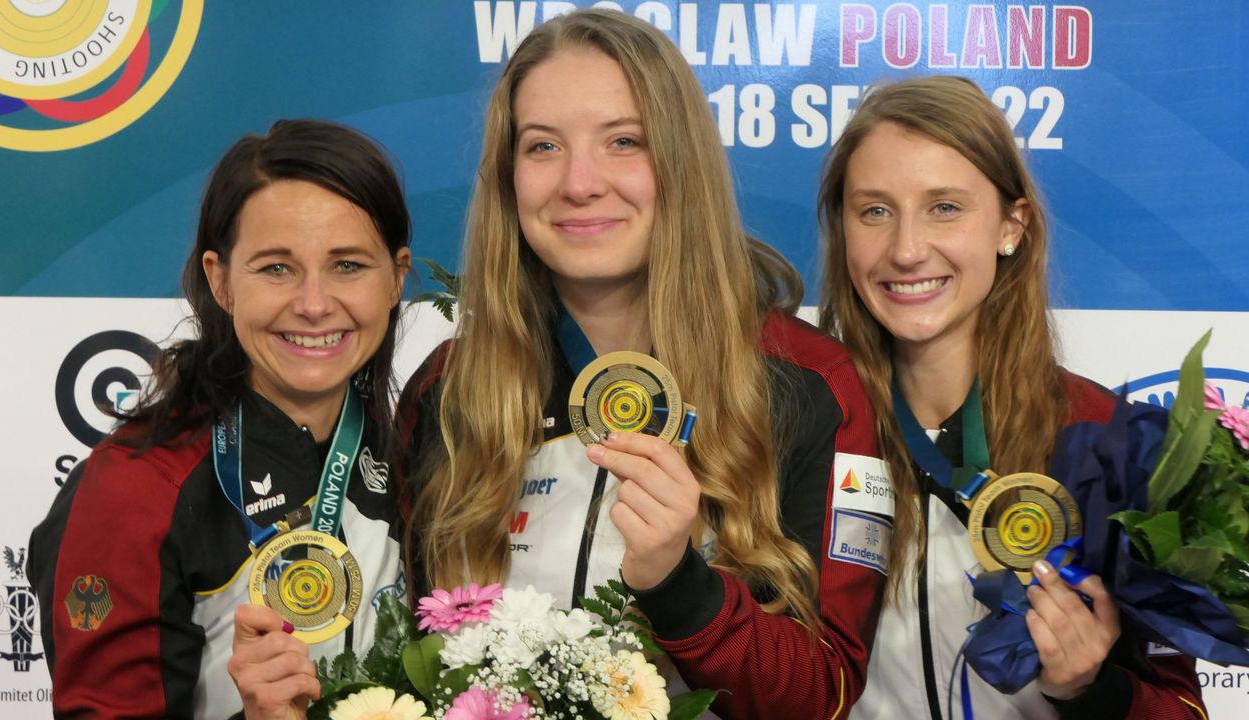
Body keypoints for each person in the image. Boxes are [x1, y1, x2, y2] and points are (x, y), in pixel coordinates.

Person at [232, 8, 888, 720]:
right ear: (508, 175)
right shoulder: (451, 390)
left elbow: (823, 698)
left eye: (623, 141)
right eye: (543, 146)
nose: (579, 182)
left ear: (682, 161)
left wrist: (678, 582)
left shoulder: (814, 384)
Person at [816, 76, 1206, 719]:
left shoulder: (1108, 439)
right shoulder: (806, 425)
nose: (907, 250)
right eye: (875, 210)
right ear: (845, 230)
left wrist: (1091, 688)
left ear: (1011, 226)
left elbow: (1182, 709)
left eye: (945, 207)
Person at [27, 119, 413, 719]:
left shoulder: (414, 451)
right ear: (221, 280)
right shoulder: (134, 487)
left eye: (348, 265)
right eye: (276, 268)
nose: (314, 304)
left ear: (397, 279)